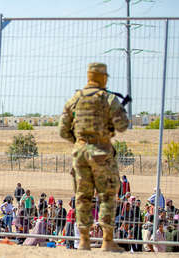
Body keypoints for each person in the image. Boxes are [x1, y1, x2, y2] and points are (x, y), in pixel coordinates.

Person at [59, 63, 129, 251]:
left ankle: (83, 240)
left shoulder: (75, 98)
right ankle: (107, 241)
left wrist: (79, 141)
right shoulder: (108, 98)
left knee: (82, 196)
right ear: (103, 77)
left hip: (80, 154)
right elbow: (122, 125)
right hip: (101, 152)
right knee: (107, 196)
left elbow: (63, 130)